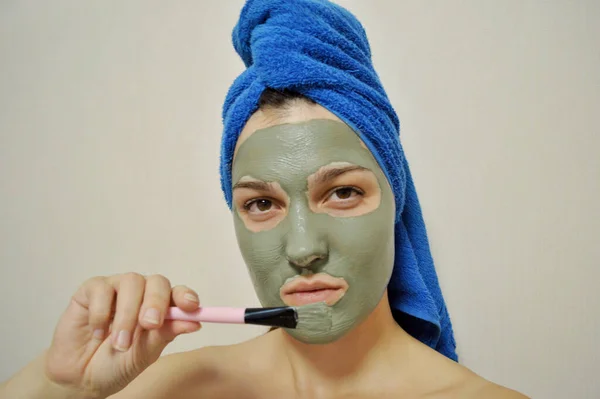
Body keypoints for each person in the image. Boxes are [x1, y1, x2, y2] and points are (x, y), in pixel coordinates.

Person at [0, 1, 528, 398]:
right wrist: (62, 385)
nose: (302, 250)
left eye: (343, 193)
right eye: (260, 204)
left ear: (397, 203)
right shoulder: (167, 388)